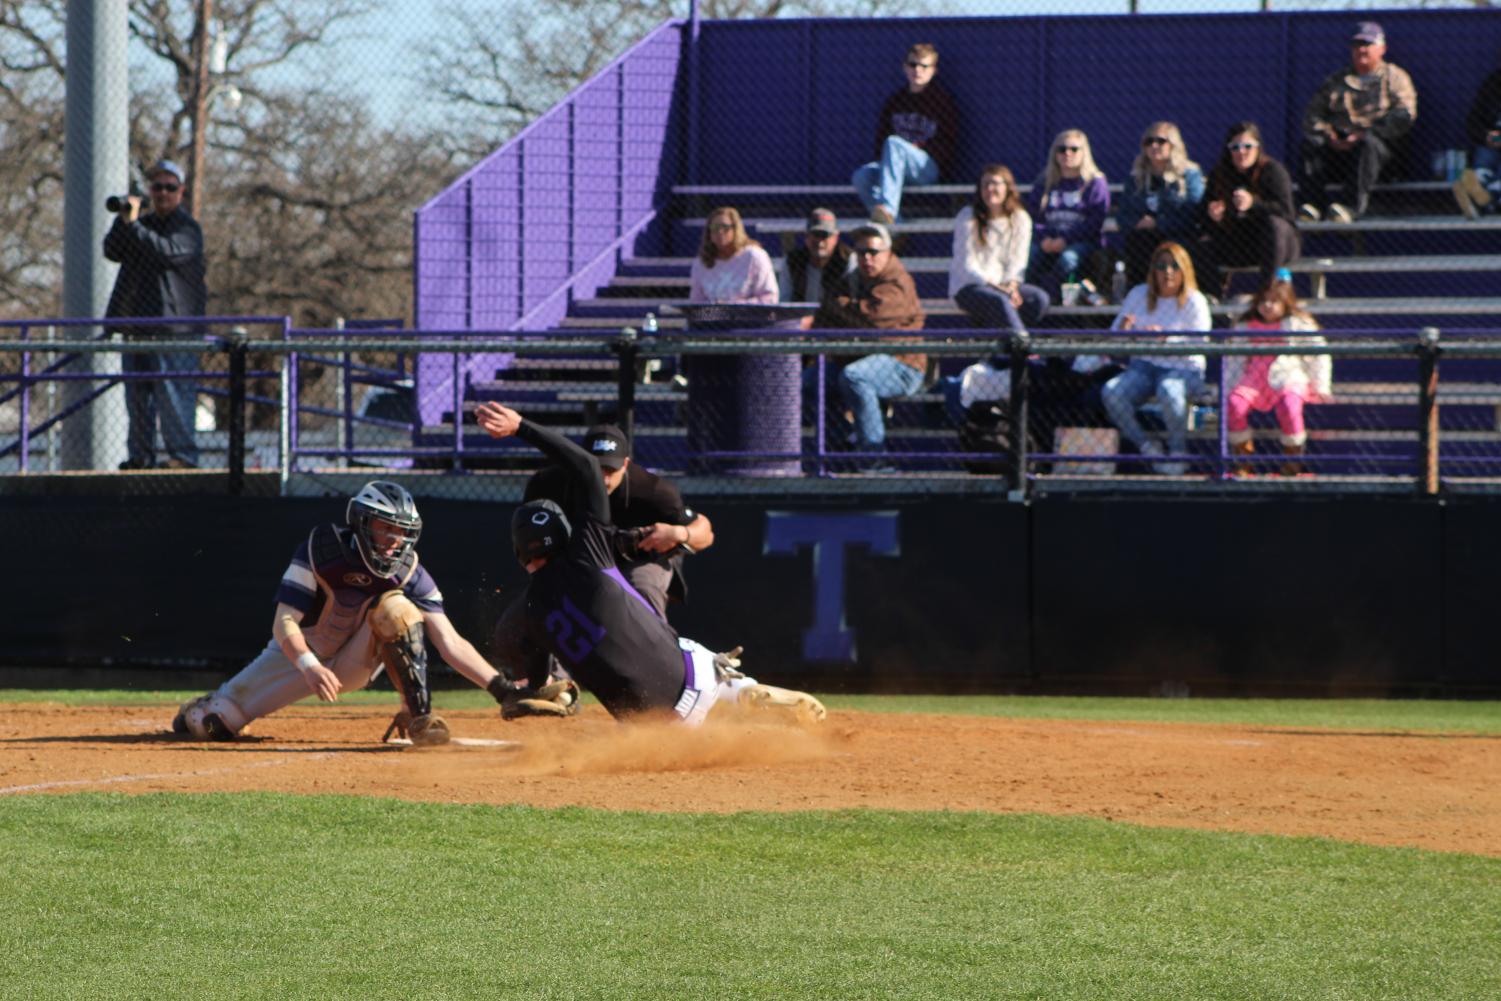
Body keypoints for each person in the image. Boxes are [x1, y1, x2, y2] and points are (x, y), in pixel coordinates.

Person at [474, 400, 826, 725]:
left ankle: (576, 684)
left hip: (658, 725)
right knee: (644, 624)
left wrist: (678, 534)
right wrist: (521, 426)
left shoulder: (530, 612)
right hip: (692, 667)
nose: (604, 475)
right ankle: (739, 691)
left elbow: (702, 531)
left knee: (637, 588)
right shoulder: (584, 543)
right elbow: (585, 470)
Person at [173, 481, 513, 743]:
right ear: (361, 522)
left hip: (353, 662)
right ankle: (200, 706)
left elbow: (450, 642)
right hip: (299, 654)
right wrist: (310, 667)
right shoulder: (322, 549)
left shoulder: (408, 570)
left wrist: (502, 689)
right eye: (386, 527)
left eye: (402, 531)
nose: (395, 540)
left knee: (397, 609)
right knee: (214, 723)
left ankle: (417, 715)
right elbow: (284, 622)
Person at [524, 423, 715, 620]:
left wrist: (679, 534)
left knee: (641, 587)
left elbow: (706, 533)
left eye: (611, 470)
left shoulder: (653, 491)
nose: (605, 479)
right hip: (582, 560)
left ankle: (656, 647)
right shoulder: (551, 484)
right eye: (598, 469)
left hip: (639, 561)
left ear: (625, 464)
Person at [103, 159, 206, 470]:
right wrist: (123, 221)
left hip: (174, 329)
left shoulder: (187, 229)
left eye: (169, 187)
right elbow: (111, 250)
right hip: (137, 326)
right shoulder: (139, 225)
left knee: (173, 395)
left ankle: (183, 456)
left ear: (181, 191)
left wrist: (135, 227)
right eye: (157, 187)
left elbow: (166, 252)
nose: (162, 193)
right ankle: (141, 456)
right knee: (138, 399)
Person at [813, 221, 926, 462]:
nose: (867, 258)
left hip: (903, 363)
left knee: (856, 377)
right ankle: (839, 447)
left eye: (873, 252)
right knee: (809, 381)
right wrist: (848, 313)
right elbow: (824, 316)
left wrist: (843, 309)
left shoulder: (897, 280)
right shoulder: (854, 278)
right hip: (858, 357)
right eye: (861, 252)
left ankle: (874, 459)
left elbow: (874, 319)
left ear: (888, 253)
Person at [1100, 241, 1212, 476]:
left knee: (1169, 389)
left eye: (1174, 266)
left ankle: (1178, 452)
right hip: (1144, 365)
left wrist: (1166, 339)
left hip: (1184, 368)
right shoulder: (1138, 294)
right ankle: (1147, 448)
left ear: (1185, 270)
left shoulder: (1195, 300)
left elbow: (1200, 343)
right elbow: (1114, 339)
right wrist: (1126, 330)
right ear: (1153, 271)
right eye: (1161, 266)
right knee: (1112, 392)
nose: (1168, 272)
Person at [1297, 20, 1418, 223]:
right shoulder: (1336, 80)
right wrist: (1330, 135)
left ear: (1382, 48)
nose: (1362, 50)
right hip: (1339, 149)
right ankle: (1312, 206)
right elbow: (1312, 116)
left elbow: (1405, 115)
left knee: (1368, 145)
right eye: (1357, 45)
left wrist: (1366, 133)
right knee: (1311, 144)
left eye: (1368, 44)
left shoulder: (1395, 77)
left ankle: (1348, 208)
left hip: (1379, 155)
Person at [1224, 275, 1331, 477]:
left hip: (1288, 376)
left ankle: (1292, 461)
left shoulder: (1298, 323)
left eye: (1274, 301)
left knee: (1289, 406)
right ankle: (1244, 460)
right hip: (1253, 380)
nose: (1267, 305)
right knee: (1234, 405)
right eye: (1263, 300)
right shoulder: (1245, 326)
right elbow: (1235, 360)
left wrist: (1321, 385)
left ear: (1285, 301)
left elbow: (1319, 354)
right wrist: (1230, 386)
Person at [850, 42, 959, 225]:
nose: (918, 70)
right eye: (913, 64)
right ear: (904, 67)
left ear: (933, 70)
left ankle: (888, 208)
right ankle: (897, 227)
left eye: (924, 66)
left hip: (926, 168)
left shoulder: (942, 102)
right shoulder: (896, 101)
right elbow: (880, 139)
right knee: (861, 176)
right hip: (893, 171)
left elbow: (948, 143)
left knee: (895, 143)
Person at [1198, 121, 1300, 295]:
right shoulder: (1220, 174)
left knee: (1274, 225)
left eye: (1247, 146)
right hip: (1240, 243)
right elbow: (1202, 214)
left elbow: (1286, 212)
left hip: (1276, 245)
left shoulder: (1272, 171)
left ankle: (1266, 293)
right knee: (1198, 242)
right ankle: (1211, 296)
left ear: (1258, 147)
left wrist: (1254, 203)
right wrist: (1213, 215)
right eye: (1235, 147)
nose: (1241, 152)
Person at [949, 163, 1049, 333]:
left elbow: (1018, 261)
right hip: (970, 286)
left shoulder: (1020, 218)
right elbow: (966, 265)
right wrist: (997, 287)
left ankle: (1006, 352)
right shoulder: (967, 216)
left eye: (995, 183)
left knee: (1038, 299)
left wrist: (1011, 286)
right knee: (999, 300)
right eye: (985, 184)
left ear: (1007, 188)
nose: (989, 189)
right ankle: (1024, 347)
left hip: (1005, 286)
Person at [1116, 122, 1205, 288]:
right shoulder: (1136, 177)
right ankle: (1141, 297)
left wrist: (1159, 223)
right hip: (1144, 238)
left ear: (1173, 145)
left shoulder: (1189, 174)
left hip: (1179, 235)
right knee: (1138, 242)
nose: (1154, 146)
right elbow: (1122, 215)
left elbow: (1194, 212)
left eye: (1161, 141)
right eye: (1149, 142)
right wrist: (1137, 222)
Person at [1025, 129, 1110, 299]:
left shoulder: (1095, 182)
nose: (1067, 153)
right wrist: (1045, 239)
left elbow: (1095, 221)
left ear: (1083, 152)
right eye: (1061, 149)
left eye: (1074, 149)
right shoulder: (1044, 182)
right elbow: (1031, 218)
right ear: (1055, 154)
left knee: (1067, 260)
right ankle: (1029, 302)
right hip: (1047, 240)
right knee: (1029, 257)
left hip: (1082, 241)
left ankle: (1053, 303)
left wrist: (1065, 239)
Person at [689, 206, 778, 304]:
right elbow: (696, 303)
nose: (720, 232)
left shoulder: (754, 257)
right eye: (715, 228)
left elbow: (770, 298)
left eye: (725, 227)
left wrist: (735, 306)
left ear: (736, 229)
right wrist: (715, 311)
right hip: (715, 318)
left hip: (749, 318)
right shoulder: (701, 262)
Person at [1454, 59, 1501, 219]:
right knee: (1484, 160)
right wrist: (1486, 135)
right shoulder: (1493, 83)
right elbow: (1473, 123)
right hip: (1492, 143)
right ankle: (1481, 190)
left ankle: (1485, 200)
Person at [776, 208, 853, 304]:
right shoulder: (792, 261)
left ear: (836, 237)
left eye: (825, 235)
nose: (820, 242)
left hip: (836, 317)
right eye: (816, 234)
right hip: (799, 317)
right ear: (807, 236)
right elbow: (785, 301)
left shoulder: (847, 259)